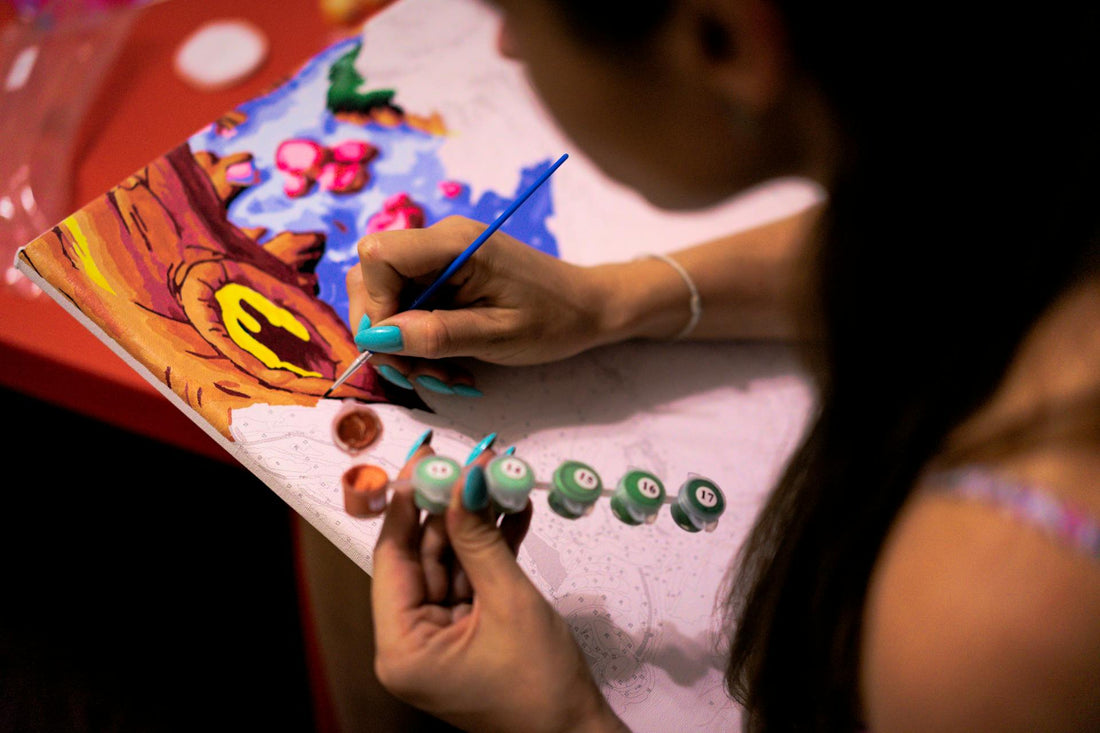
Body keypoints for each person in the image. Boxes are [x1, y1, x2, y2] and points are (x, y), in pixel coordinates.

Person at [339, 0, 1100, 730]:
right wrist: (609, 300)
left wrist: (562, 721)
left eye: (512, 13)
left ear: (722, 39)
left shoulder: (995, 617)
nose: (504, 47)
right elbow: (939, 231)